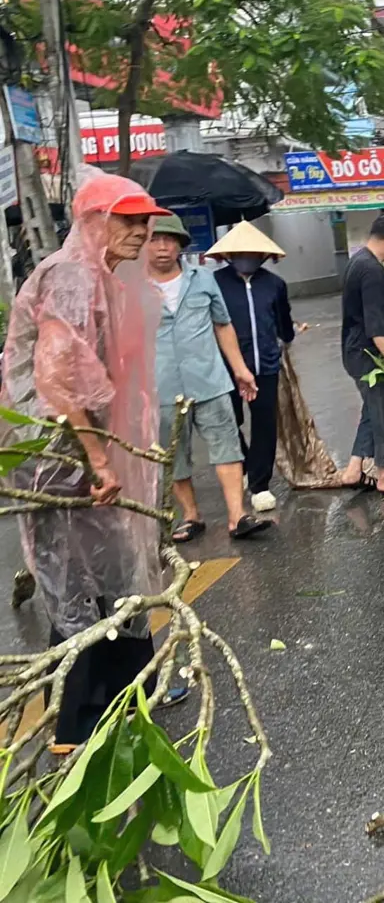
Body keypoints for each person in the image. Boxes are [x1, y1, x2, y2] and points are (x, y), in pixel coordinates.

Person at [0, 173, 170, 747]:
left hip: (85, 456)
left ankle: (127, 698)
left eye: (147, 220)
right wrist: (98, 460)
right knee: (81, 587)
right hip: (61, 460)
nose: (143, 231)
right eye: (129, 219)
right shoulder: (72, 276)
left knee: (113, 576)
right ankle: (77, 721)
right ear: (94, 220)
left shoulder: (103, 279)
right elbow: (56, 375)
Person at [148, 215, 273, 541]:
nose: (162, 247)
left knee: (228, 447)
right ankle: (190, 516)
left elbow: (222, 324)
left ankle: (237, 516)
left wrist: (240, 369)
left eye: (169, 240)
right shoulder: (131, 288)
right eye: (154, 239)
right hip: (160, 387)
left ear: (180, 246)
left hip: (210, 380)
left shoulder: (203, 279)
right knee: (173, 454)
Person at [210, 221, 297, 514]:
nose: (247, 257)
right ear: (229, 255)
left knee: (264, 425)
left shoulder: (274, 285)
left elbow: (283, 320)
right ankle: (245, 463)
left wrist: (287, 337)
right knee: (228, 422)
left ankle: (260, 484)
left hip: (266, 367)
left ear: (262, 255)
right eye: (240, 252)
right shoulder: (215, 284)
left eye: (252, 252)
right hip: (225, 368)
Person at [339, 213, 384, 493]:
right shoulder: (372, 271)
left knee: (372, 409)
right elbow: (377, 326)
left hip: (355, 351)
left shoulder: (357, 262)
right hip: (370, 356)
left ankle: (354, 469)